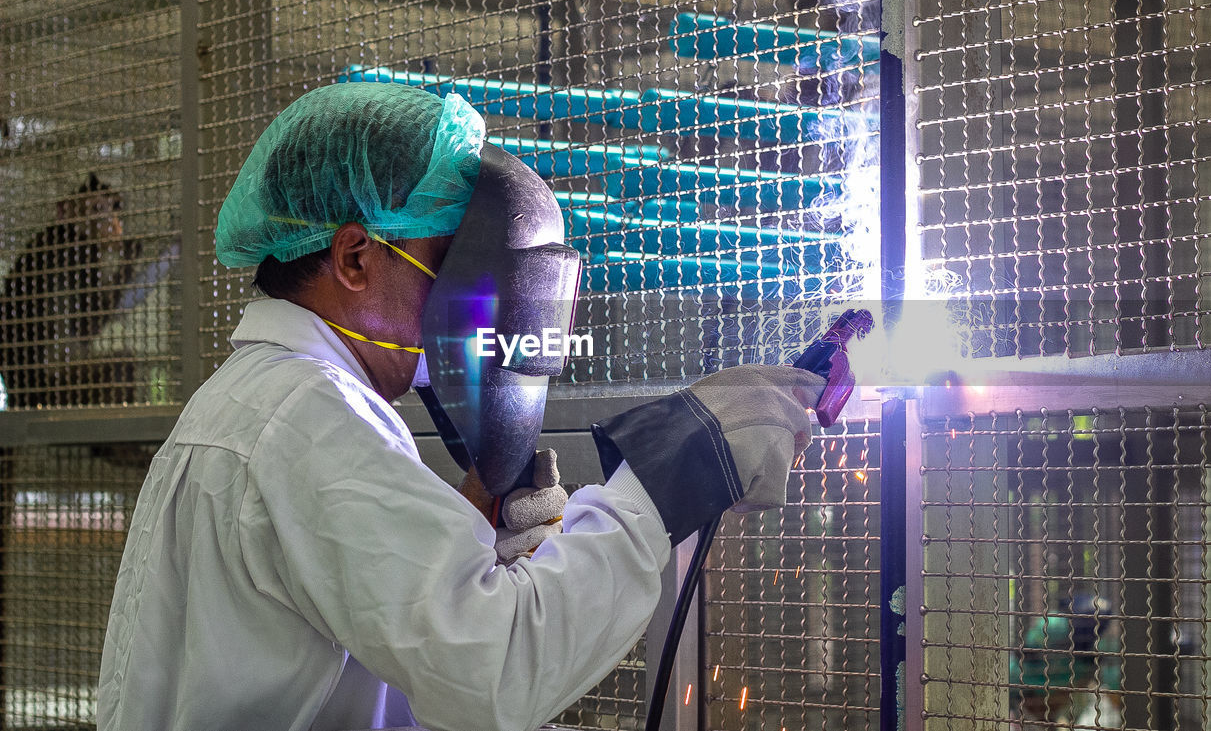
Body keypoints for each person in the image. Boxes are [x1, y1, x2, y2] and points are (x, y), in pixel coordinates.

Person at [97, 82, 826, 731]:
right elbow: (498, 673)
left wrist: (466, 550)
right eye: (445, 264)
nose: (462, 303)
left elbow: (356, 672)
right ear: (355, 258)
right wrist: (672, 472)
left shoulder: (255, 400)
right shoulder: (310, 420)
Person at [0, 173, 141, 408]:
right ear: (68, 213)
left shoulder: (48, 244)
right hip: (42, 373)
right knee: (122, 364)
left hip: (23, 373)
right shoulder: (74, 248)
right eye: (97, 209)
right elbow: (90, 326)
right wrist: (127, 264)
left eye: (111, 210)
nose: (108, 221)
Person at [1009, 594, 1122, 729]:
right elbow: (1028, 650)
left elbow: (1113, 680)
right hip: (1024, 684)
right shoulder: (1055, 625)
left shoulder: (1096, 652)